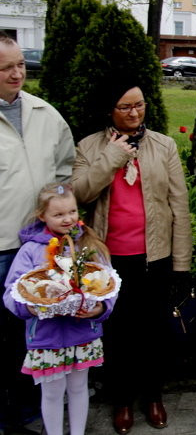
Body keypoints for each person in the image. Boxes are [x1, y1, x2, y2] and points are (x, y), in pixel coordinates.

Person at [71, 82, 192, 434]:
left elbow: (178, 207)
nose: (135, 113)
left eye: (139, 105)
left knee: (153, 331)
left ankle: (153, 396)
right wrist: (111, 158)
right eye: (125, 107)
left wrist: (181, 264)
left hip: (154, 256)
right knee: (117, 333)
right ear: (109, 109)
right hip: (108, 259)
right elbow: (79, 194)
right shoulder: (90, 146)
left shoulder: (163, 145)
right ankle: (121, 400)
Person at [0, 31, 74, 431]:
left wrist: (57, 215)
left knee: (36, 335)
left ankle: (29, 412)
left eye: (21, 65)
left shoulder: (45, 113)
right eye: (7, 68)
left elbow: (65, 168)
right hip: (1, 250)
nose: (17, 74)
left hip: (42, 247)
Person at [3, 183, 117, 435]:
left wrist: (99, 309)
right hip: (46, 335)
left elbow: (108, 282)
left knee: (78, 388)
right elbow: (12, 290)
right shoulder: (31, 249)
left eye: (72, 212)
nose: (67, 219)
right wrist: (31, 309)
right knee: (52, 392)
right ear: (42, 215)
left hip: (82, 333)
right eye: (58, 214)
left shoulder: (89, 244)